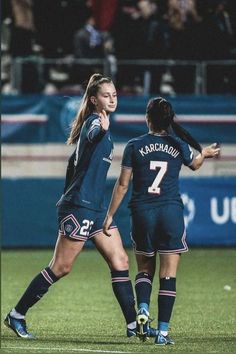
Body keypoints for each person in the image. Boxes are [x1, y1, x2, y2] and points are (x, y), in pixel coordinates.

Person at [4, 73, 156, 340]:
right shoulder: (94, 124)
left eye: (115, 95)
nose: (112, 99)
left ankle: (133, 326)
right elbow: (94, 136)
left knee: (120, 260)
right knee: (61, 267)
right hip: (80, 207)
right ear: (95, 100)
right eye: (106, 95)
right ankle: (17, 315)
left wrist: (65, 191)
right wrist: (102, 131)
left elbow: (73, 163)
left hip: (95, 209)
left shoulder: (97, 124)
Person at [103, 97, 220, 345]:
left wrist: (110, 215)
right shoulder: (178, 145)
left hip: (142, 213)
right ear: (169, 121)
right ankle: (163, 333)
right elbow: (196, 164)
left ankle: (143, 309)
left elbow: (123, 184)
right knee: (168, 274)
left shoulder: (134, 146)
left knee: (144, 269)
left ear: (147, 118)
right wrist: (206, 153)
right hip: (170, 213)